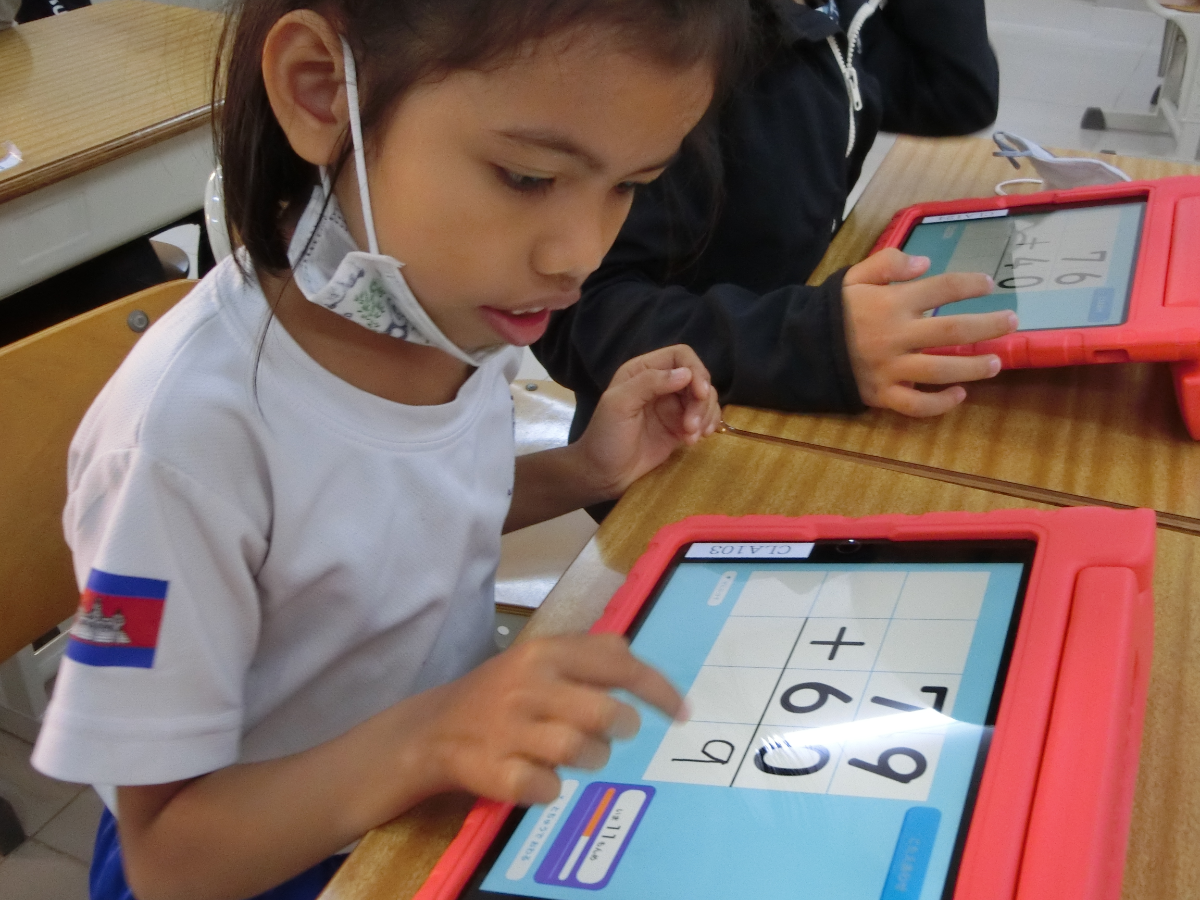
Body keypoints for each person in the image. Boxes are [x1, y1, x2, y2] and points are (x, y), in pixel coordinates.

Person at [29, 0, 748, 897]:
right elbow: (167, 858)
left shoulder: (446, 307)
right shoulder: (185, 445)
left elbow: (393, 516)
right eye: (527, 177)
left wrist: (587, 470)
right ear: (321, 92)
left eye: (630, 184)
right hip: (260, 856)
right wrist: (432, 737)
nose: (580, 254)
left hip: (415, 800)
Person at [534, 0, 1014, 455]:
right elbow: (574, 314)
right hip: (680, 440)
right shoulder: (671, 38)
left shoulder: (828, 13)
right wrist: (816, 342)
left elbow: (956, 93)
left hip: (794, 384)